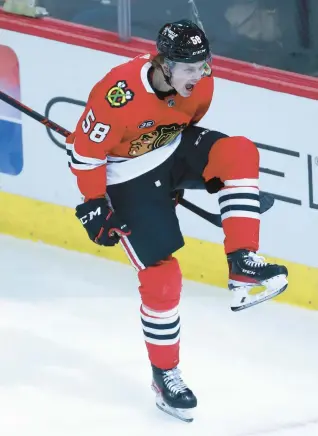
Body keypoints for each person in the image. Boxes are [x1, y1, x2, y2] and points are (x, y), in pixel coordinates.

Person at [66, 19, 288, 422]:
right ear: (163, 64)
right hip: (123, 174)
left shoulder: (201, 82)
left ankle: (243, 266)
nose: (200, 74)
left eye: (204, 64)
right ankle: (165, 375)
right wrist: (94, 204)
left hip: (169, 151)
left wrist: (213, 182)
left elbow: (185, 126)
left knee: (238, 152)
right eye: (189, 67)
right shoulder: (118, 94)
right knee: (162, 277)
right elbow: (85, 154)